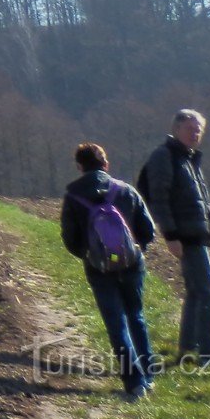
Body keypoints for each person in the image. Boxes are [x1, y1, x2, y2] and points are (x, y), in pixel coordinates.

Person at [60, 142, 158, 399]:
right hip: (132, 263)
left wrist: (90, 256)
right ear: (106, 164)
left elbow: (70, 239)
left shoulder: (73, 197)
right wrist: (135, 250)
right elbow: (148, 230)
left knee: (116, 323)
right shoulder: (126, 190)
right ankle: (148, 374)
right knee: (135, 314)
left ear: (80, 167)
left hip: (98, 268)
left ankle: (135, 383)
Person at [137, 108, 210, 367]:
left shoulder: (187, 158)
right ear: (176, 129)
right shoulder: (165, 156)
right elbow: (158, 197)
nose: (196, 133)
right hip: (185, 236)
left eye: (199, 129)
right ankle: (208, 353)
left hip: (193, 235)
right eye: (190, 128)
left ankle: (189, 349)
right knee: (209, 292)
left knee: (195, 292)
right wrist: (170, 234)